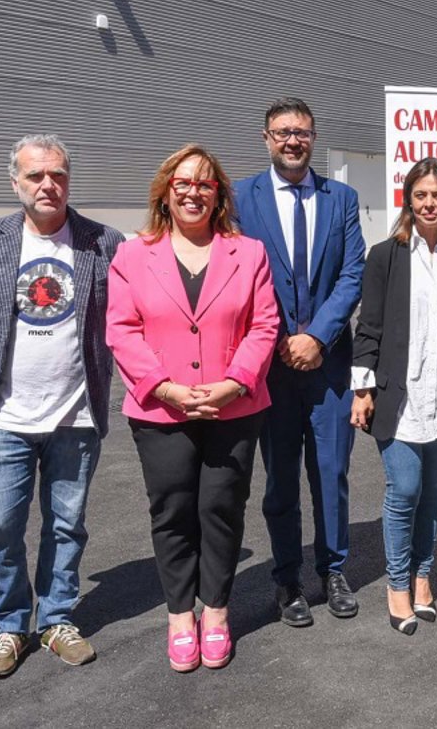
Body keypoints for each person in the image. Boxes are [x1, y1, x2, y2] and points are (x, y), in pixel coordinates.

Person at [0, 134, 124, 679]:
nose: (49, 184)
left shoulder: (103, 242)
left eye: (58, 174)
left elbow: (124, 318)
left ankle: (57, 618)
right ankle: (9, 623)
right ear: (15, 182)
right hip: (4, 417)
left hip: (76, 416)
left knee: (66, 525)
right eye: (36, 175)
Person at [107, 145, 278, 671]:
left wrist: (234, 383)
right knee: (173, 511)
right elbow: (122, 329)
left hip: (234, 407)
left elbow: (264, 325)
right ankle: (181, 615)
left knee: (221, 509)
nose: (193, 193)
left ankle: (217, 611)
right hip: (161, 410)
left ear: (218, 194)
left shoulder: (248, 252)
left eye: (205, 184)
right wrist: (164, 388)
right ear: (165, 192)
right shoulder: (133, 255)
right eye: (182, 183)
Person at [235, 97, 366, 625]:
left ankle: (333, 569)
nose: (293, 140)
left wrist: (317, 336)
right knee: (280, 479)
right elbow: (235, 277)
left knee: (331, 474)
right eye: (283, 132)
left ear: (313, 138)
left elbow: (352, 274)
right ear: (266, 138)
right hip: (270, 369)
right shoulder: (241, 197)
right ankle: (287, 577)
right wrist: (280, 341)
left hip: (328, 366)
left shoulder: (342, 199)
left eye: (303, 132)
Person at [349, 158, 437, 635]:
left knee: (431, 492)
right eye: (421, 194)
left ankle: (423, 576)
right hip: (398, 397)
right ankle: (397, 584)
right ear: (409, 199)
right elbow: (368, 328)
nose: (430, 203)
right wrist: (362, 389)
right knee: (404, 489)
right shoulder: (385, 256)